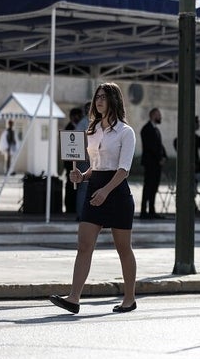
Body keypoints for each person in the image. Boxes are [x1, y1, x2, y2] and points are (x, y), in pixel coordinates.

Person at [49, 83, 137, 314]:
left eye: (104, 97)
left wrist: (106, 191)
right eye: (97, 97)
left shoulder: (126, 132)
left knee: (123, 248)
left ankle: (129, 298)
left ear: (114, 101)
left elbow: (123, 169)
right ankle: (74, 298)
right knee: (84, 245)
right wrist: (82, 175)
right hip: (95, 187)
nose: (99, 101)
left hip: (116, 192)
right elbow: (95, 167)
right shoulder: (92, 130)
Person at [140, 108, 167, 219]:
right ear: (153, 116)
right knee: (148, 187)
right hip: (151, 163)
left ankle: (151, 210)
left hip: (156, 164)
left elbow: (160, 145)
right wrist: (159, 158)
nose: (160, 117)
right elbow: (151, 147)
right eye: (158, 115)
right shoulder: (147, 129)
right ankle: (143, 211)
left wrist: (164, 156)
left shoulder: (156, 130)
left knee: (154, 187)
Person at [62, 108, 83, 213]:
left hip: (80, 162)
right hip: (70, 162)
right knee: (70, 185)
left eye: (78, 116)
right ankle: (69, 207)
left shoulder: (82, 127)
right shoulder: (69, 128)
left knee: (78, 186)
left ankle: (76, 206)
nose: (76, 118)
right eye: (74, 116)